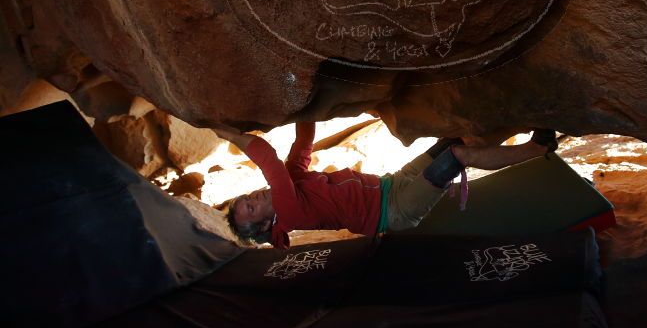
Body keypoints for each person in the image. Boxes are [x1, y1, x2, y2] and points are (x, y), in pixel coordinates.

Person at [213, 122, 558, 248]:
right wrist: (226, 133)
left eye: (247, 197)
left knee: (453, 139)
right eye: (252, 206)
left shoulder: (290, 186)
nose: (255, 195)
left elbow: (303, 143)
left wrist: (302, 101)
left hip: (393, 183)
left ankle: (515, 123)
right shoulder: (290, 212)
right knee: (455, 156)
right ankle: (537, 148)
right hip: (395, 210)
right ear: (266, 224)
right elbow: (267, 158)